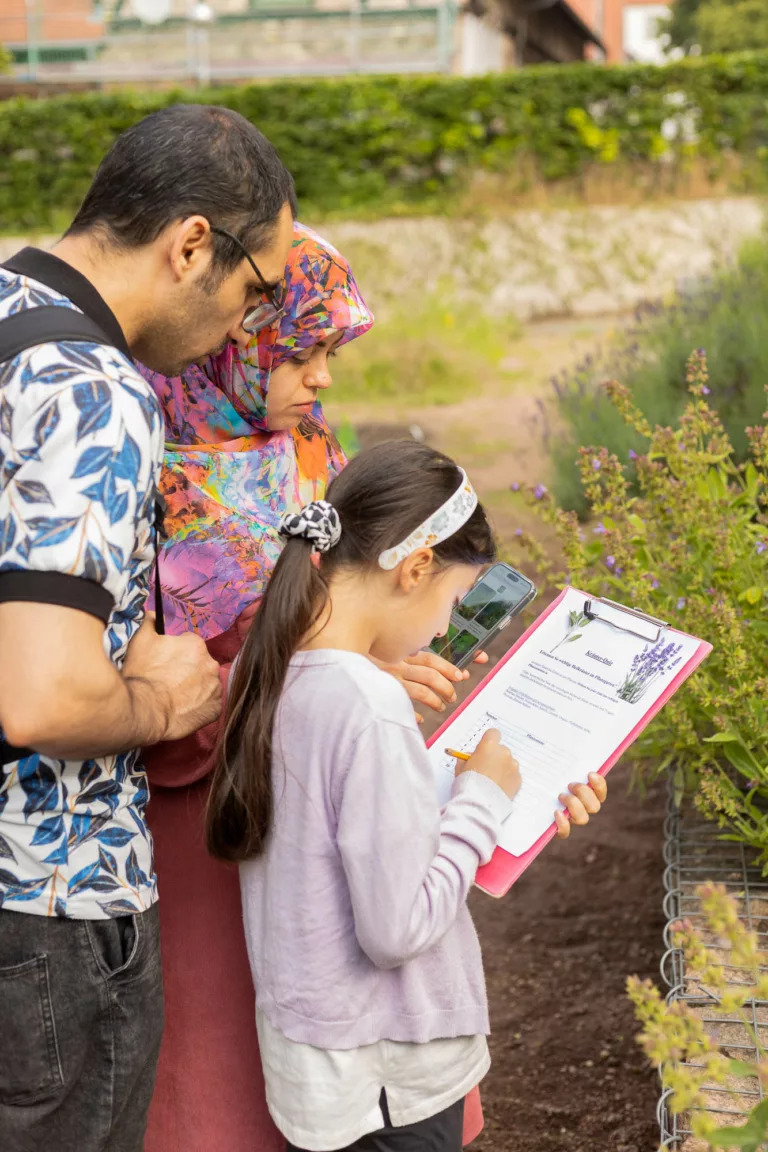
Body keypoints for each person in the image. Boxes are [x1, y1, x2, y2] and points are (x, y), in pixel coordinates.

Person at [139, 223, 483, 1152]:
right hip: (219, 827)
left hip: (336, 811)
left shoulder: (311, 454)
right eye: (300, 350)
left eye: (331, 350)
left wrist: (372, 666)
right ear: (229, 338)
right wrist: (299, 686)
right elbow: (139, 696)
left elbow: (338, 616)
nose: (323, 376)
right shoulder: (147, 473)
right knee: (231, 1073)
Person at [0, 103, 296, 1151]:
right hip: (46, 913)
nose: (245, 331)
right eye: (254, 293)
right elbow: (40, 698)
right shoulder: (90, 386)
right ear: (191, 246)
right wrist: (164, 696)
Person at [207, 440, 609, 1152]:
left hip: (318, 1064)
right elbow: (396, 929)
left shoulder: (263, 667)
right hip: (391, 1077)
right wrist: (482, 797)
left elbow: (329, 829)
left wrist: (478, 791)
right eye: (454, 600)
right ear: (416, 567)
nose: (444, 629)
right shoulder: (366, 704)